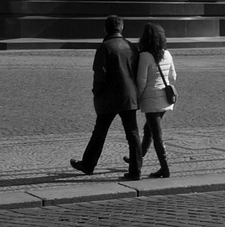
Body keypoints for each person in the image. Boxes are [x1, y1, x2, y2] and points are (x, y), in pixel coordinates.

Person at [70, 15, 142, 179]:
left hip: (109, 97)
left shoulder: (105, 47)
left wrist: (97, 92)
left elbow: (99, 75)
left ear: (106, 29)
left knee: (100, 132)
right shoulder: (131, 47)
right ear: (121, 28)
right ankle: (136, 170)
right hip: (129, 96)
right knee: (133, 133)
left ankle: (88, 165)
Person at [133, 23, 178, 179]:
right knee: (149, 129)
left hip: (151, 99)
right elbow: (173, 77)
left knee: (156, 134)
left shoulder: (144, 56)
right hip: (165, 100)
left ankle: (164, 168)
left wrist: (137, 99)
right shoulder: (167, 54)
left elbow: (141, 81)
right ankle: (139, 156)